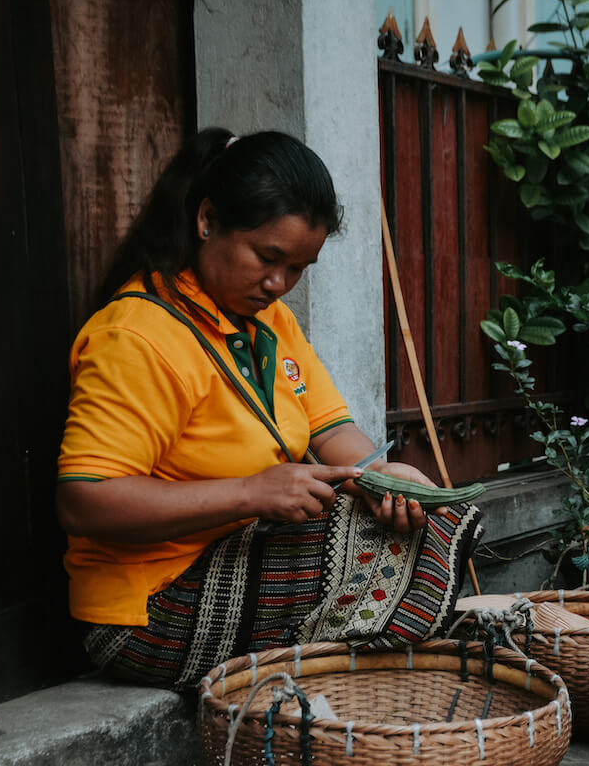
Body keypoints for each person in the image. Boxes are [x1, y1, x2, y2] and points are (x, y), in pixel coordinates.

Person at [57, 128, 482, 689]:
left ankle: (350, 696)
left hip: (231, 556)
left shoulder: (271, 324)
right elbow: (84, 503)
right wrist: (251, 492)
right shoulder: (137, 337)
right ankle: (347, 696)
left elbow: (333, 432)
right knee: (408, 553)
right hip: (148, 608)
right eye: (268, 257)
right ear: (207, 220)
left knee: (432, 521)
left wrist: (383, 478)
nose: (278, 284)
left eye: (299, 269)